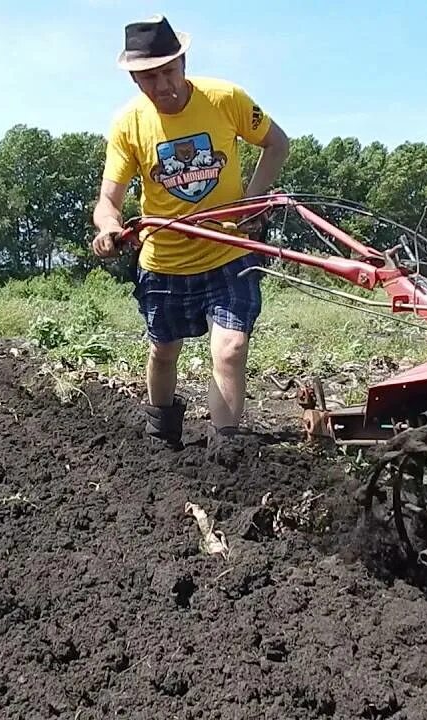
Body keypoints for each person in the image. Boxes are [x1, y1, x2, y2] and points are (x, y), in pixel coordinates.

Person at [90, 14, 290, 457]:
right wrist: (108, 228)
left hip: (229, 252)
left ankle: (224, 448)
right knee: (163, 352)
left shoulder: (225, 99)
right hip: (165, 262)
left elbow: (277, 143)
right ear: (134, 79)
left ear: (183, 62)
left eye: (167, 72)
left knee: (231, 347)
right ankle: (161, 434)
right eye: (148, 78)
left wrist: (250, 203)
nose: (162, 86)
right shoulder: (128, 125)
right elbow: (108, 200)